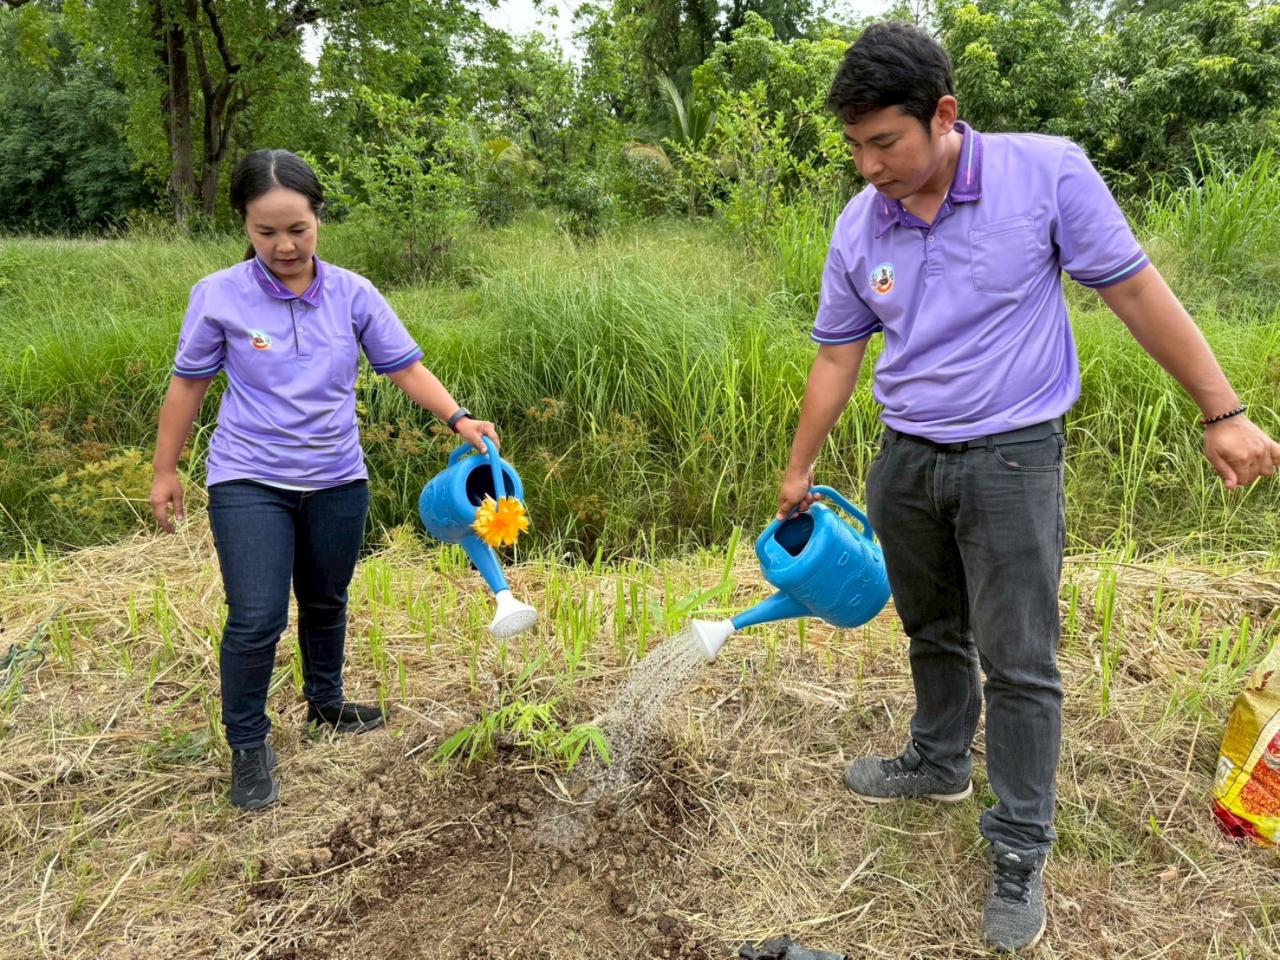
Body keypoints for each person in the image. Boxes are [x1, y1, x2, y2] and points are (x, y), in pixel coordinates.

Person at [775, 22, 1280, 954]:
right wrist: (800, 465)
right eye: (854, 147)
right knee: (930, 626)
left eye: (885, 142)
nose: (869, 167)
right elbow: (839, 351)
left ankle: (1018, 846)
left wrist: (1223, 411)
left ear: (944, 115)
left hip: (1012, 457)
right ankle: (937, 760)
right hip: (907, 460)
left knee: (1019, 659)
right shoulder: (861, 224)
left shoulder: (1043, 173)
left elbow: (1133, 290)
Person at [149, 149, 498, 812]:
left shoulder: (353, 293)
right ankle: (249, 746)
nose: (283, 245)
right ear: (245, 227)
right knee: (255, 617)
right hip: (250, 477)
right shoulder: (219, 295)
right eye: (265, 232)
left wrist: (457, 417)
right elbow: (188, 385)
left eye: (297, 229)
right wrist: (166, 470)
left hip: (338, 477)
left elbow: (404, 365)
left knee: (327, 600)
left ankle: (328, 706)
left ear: (318, 221)